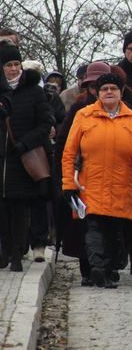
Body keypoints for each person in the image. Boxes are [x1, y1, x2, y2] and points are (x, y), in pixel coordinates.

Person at [62, 73, 132, 288]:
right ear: (97, 93)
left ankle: (111, 270)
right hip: (89, 186)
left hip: (122, 186)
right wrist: (68, 184)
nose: (109, 92)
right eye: (104, 89)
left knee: (115, 232)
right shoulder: (84, 116)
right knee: (94, 229)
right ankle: (97, 269)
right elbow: (69, 152)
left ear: (121, 92)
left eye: (113, 88)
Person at [55, 61, 111, 285]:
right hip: (84, 175)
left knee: (111, 224)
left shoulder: (124, 110)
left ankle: (108, 266)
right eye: (92, 86)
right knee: (86, 222)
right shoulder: (78, 110)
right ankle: (90, 267)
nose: (98, 91)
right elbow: (63, 145)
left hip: (113, 176)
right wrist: (63, 177)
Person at [0, 44, 54, 271]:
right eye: (8, 65)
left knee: (20, 208)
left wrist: (25, 143)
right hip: (0, 159)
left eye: (16, 64)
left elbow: (45, 123)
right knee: (2, 211)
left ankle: (17, 255)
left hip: (21, 158)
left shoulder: (34, 91)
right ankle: (4, 251)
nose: (13, 69)